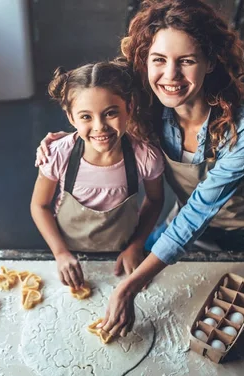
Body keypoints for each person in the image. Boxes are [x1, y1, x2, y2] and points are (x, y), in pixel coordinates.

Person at [35, 0, 244, 337]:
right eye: (159, 60)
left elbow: (200, 210)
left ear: (210, 62)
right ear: (145, 60)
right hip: (177, 223)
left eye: (187, 61)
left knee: (242, 325)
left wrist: (131, 286)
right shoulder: (151, 103)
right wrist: (69, 141)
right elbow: (99, 100)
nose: (170, 76)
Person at [30, 60, 165, 292]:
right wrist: (61, 253)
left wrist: (136, 245)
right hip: (69, 252)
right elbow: (39, 205)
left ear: (129, 108)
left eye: (110, 113)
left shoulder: (145, 157)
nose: (100, 127)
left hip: (123, 252)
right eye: (86, 117)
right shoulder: (58, 154)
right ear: (71, 118)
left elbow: (155, 200)